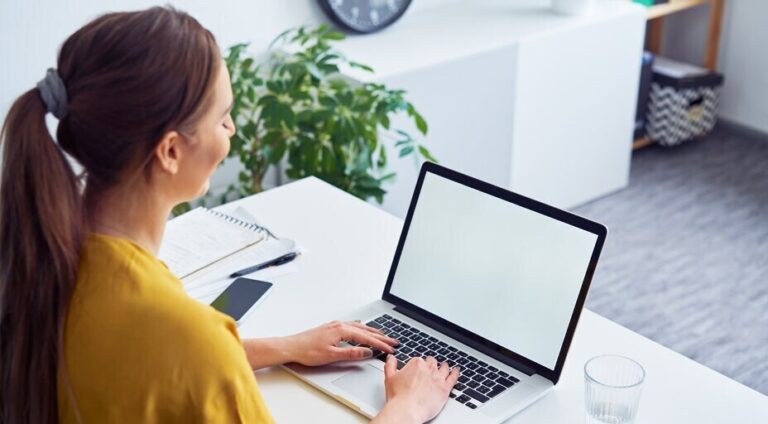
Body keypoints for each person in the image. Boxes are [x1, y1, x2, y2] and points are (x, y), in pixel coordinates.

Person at [0, 6, 459, 424]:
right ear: (171, 152)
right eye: (223, 117)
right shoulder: (189, 334)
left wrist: (284, 347)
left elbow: (158, 360)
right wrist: (406, 408)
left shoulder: (45, 257)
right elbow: (187, 354)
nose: (233, 129)